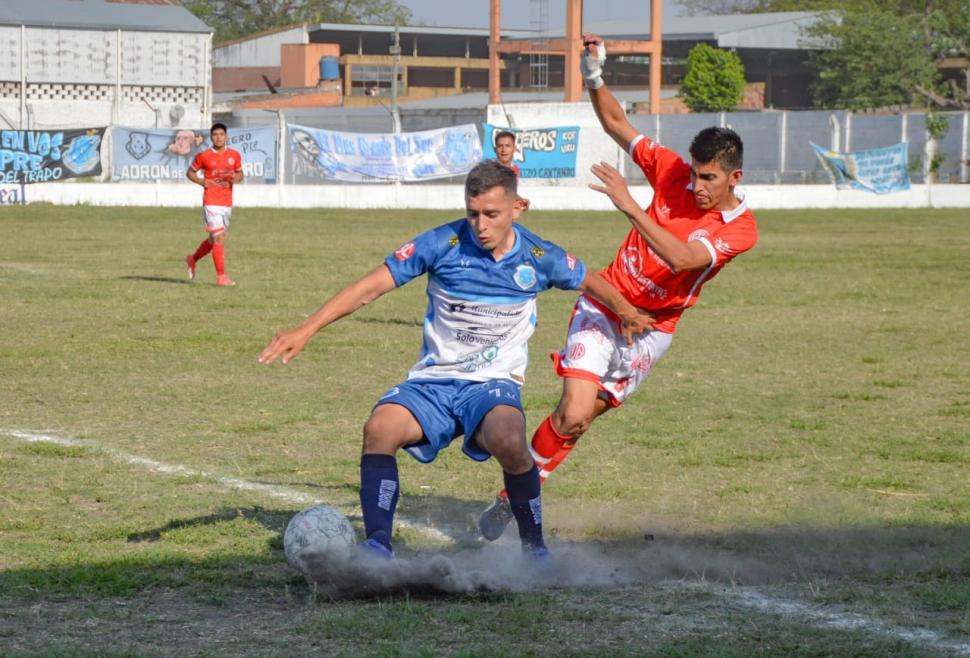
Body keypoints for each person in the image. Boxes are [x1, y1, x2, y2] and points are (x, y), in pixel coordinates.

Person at [258, 160, 651, 561]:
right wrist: (306, 328)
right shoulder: (441, 244)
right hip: (434, 382)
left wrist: (627, 313)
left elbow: (588, 279)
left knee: (510, 440)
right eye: (473, 213)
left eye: (492, 215)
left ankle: (535, 552)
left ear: (518, 208)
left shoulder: (538, 257)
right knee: (379, 429)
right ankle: (377, 546)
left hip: (492, 385)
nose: (480, 225)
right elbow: (369, 287)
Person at [477, 33, 760, 540]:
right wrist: (593, 75)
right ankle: (517, 501)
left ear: (734, 177)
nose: (696, 186)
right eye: (694, 174)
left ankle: (514, 489)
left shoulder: (741, 229)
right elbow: (616, 123)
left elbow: (681, 258)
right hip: (606, 303)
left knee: (578, 423)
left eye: (710, 179)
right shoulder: (672, 171)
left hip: (654, 329)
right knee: (574, 410)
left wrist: (630, 204)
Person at [185, 123, 244, 287]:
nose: (218, 137)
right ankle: (221, 277)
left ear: (226, 137)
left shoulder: (235, 155)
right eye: (215, 134)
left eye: (221, 134)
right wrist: (201, 181)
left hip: (226, 203)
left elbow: (240, 174)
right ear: (211, 137)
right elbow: (190, 172)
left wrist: (235, 179)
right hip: (211, 201)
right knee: (217, 238)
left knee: (214, 239)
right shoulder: (204, 156)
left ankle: (192, 259)